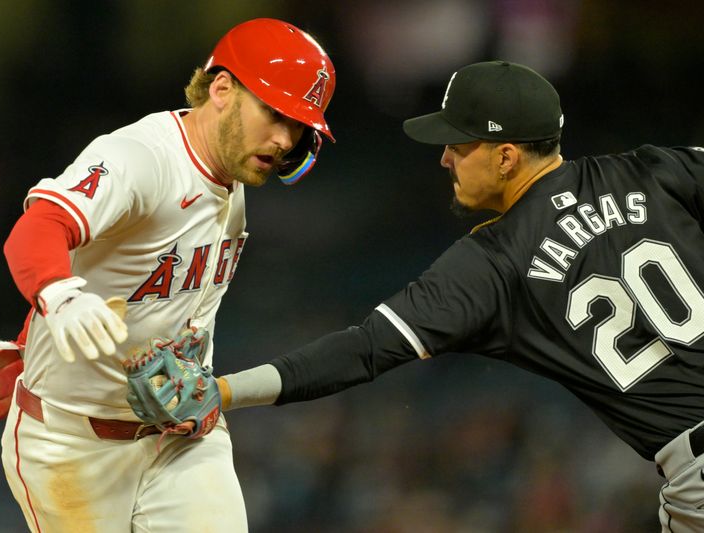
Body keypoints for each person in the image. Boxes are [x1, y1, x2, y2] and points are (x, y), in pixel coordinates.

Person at [212, 60, 704, 532]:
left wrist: (225, 391)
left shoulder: (493, 261)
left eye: (458, 144)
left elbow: (362, 349)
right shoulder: (651, 170)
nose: (445, 157)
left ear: (506, 156)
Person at [0, 17, 336, 532]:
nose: (283, 138)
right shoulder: (141, 157)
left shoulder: (231, 173)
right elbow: (37, 228)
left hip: (183, 434)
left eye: (298, 126)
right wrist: (59, 295)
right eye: (274, 113)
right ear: (223, 89)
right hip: (75, 445)